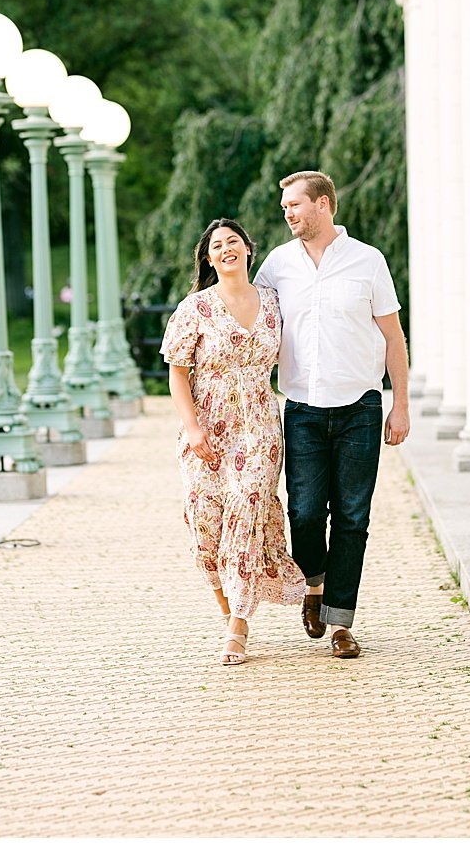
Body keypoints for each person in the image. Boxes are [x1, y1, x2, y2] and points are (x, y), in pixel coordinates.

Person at [255, 170, 410, 660]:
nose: (288, 213)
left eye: (295, 205)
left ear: (323, 204)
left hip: (360, 409)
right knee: (303, 511)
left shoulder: (368, 261)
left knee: (351, 517)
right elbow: (250, 320)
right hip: (301, 409)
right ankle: (315, 587)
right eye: (285, 208)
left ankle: (342, 622)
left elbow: (393, 338)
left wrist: (399, 404)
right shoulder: (277, 266)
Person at [162, 218, 306, 665]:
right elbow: (177, 371)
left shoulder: (275, 303)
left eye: (233, 242)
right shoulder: (195, 308)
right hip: (207, 426)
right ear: (209, 257)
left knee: (246, 512)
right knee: (205, 525)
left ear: (247, 249)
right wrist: (193, 429)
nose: (226, 249)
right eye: (217, 245)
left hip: (260, 427)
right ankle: (230, 609)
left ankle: (238, 626)